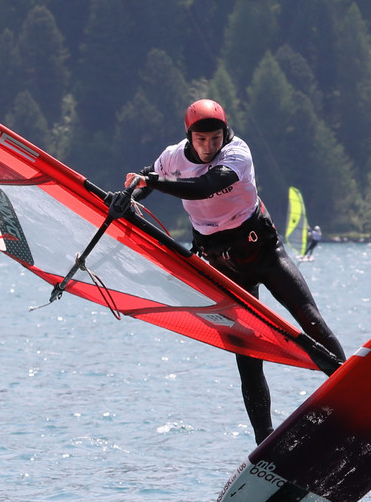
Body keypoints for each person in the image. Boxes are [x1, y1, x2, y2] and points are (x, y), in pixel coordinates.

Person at [125, 100, 347, 443]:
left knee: (310, 320)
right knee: (248, 357)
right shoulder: (172, 158)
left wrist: (152, 180)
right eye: (201, 140)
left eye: (215, 138)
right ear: (189, 136)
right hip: (225, 268)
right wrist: (129, 194)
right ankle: (265, 444)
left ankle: (351, 391)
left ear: (225, 133)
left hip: (264, 255)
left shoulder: (237, 153)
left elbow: (204, 187)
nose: (209, 146)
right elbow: (144, 183)